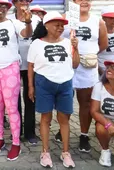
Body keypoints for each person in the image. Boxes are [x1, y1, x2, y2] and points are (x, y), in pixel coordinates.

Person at [28, 11, 80, 168]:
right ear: (47, 26)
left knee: (64, 119)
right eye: (56, 24)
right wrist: (31, 86)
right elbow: (30, 66)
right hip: (44, 83)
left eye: (62, 24)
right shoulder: (36, 43)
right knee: (46, 118)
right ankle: (45, 152)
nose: (60, 27)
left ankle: (65, 152)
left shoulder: (68, 42)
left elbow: (76, 64)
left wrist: (76, 49)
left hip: (65, 84)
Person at [58, 0, 108, 152]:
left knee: (85, 102)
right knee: (65, 100)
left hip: (87, 67)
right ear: (75, 2)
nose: (84, 2)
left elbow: (103, 44)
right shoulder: (66, 18)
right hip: (68, 63)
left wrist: (89, 54)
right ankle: (62, 129)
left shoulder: (97, 21)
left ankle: (84, 135)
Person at [0, 0, 32, 161]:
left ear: (7, 8)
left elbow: (27, 34)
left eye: (2, 6)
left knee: (12, 108)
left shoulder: (14, 23)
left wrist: (28, 22)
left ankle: (16, 143)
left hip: (10, 69)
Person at [8, 0, 41, 144]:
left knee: (30, 98)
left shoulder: (36, 20)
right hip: (14, 62)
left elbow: (33, 36)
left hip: (31, 64)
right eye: (20, 0)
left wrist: (28, 22)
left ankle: (30, 132)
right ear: (15, 3)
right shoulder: (9, 21)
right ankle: (16, 130)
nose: (24, 2)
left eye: (26, 0)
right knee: (14, 100)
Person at [91, 58, 114, 167]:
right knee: (101, 128)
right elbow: (94, 111)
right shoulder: (99, 86)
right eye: (108, 67)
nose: (109, 69)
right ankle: (105, 151)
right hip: (105, 122)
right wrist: (108, 124)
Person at [98, 6, 114, 75]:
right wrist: (99, 70)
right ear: (103, 18)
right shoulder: (97, 33)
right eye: (111, 18)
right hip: (102, 71)